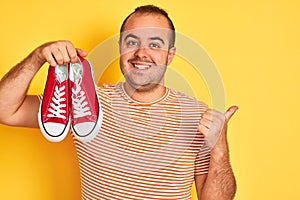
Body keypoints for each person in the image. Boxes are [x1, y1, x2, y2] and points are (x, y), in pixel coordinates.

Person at [0, 5, 238, 200]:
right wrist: (36, 58)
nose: (141, 53)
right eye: (132, 42)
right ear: (121, 49)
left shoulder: (196, 114)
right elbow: (5, 111)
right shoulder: (84, 103)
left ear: (170, 55)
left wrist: (219, 147)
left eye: (155, 44)